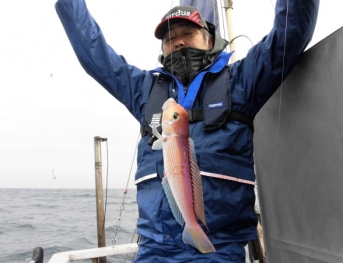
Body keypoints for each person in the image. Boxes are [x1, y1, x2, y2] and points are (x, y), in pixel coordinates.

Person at [55, 1, 319, 262]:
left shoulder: (239, 81)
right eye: (169, 38)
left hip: (219, 248)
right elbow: (95, 54)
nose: (178, 42)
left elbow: (290, 33)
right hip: (154, 249)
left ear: (208, 40)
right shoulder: (145, 89)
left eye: (188, 33)